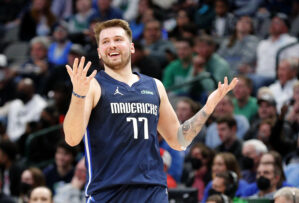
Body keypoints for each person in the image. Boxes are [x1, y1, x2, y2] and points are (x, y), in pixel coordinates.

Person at [63, 19, 238, 202]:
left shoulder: (155, 86)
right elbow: (72, 138)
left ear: (131, 47)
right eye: (105, 42)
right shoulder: (93, 86)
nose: (112, 45)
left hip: (153, 192)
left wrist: (208, 106)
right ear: (99, 51)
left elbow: (179, 140)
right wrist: (78, 94)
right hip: (109, 192)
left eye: (118, 39)